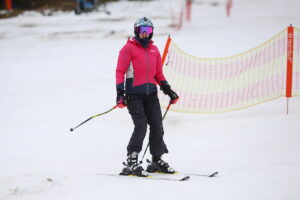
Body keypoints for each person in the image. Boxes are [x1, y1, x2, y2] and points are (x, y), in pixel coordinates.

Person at [115, 17, 179, 177]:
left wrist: (168, 89)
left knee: (157, 125)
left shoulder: (154, 50)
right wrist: (120, 93)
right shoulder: (128, 49)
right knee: (141, 126)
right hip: (133, 95)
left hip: (151, 94)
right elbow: (120, 71)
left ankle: (156, 159)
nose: (145, 34)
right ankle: (132, 159)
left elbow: (158, 73)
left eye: (148, 31)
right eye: (142, 31)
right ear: (136, 31)